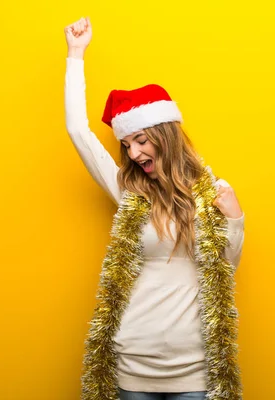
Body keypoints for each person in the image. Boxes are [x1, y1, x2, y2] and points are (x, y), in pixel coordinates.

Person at [64, 17, 245, 400]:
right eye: (127, 144)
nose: (134, 153)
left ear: (164, 134)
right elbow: (79, 132)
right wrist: (75, 54)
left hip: (196, 367)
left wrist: (234, 219)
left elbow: (225, 269)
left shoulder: (212, 192)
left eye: (141, 140)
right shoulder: (130, 193)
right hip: (132, 360)